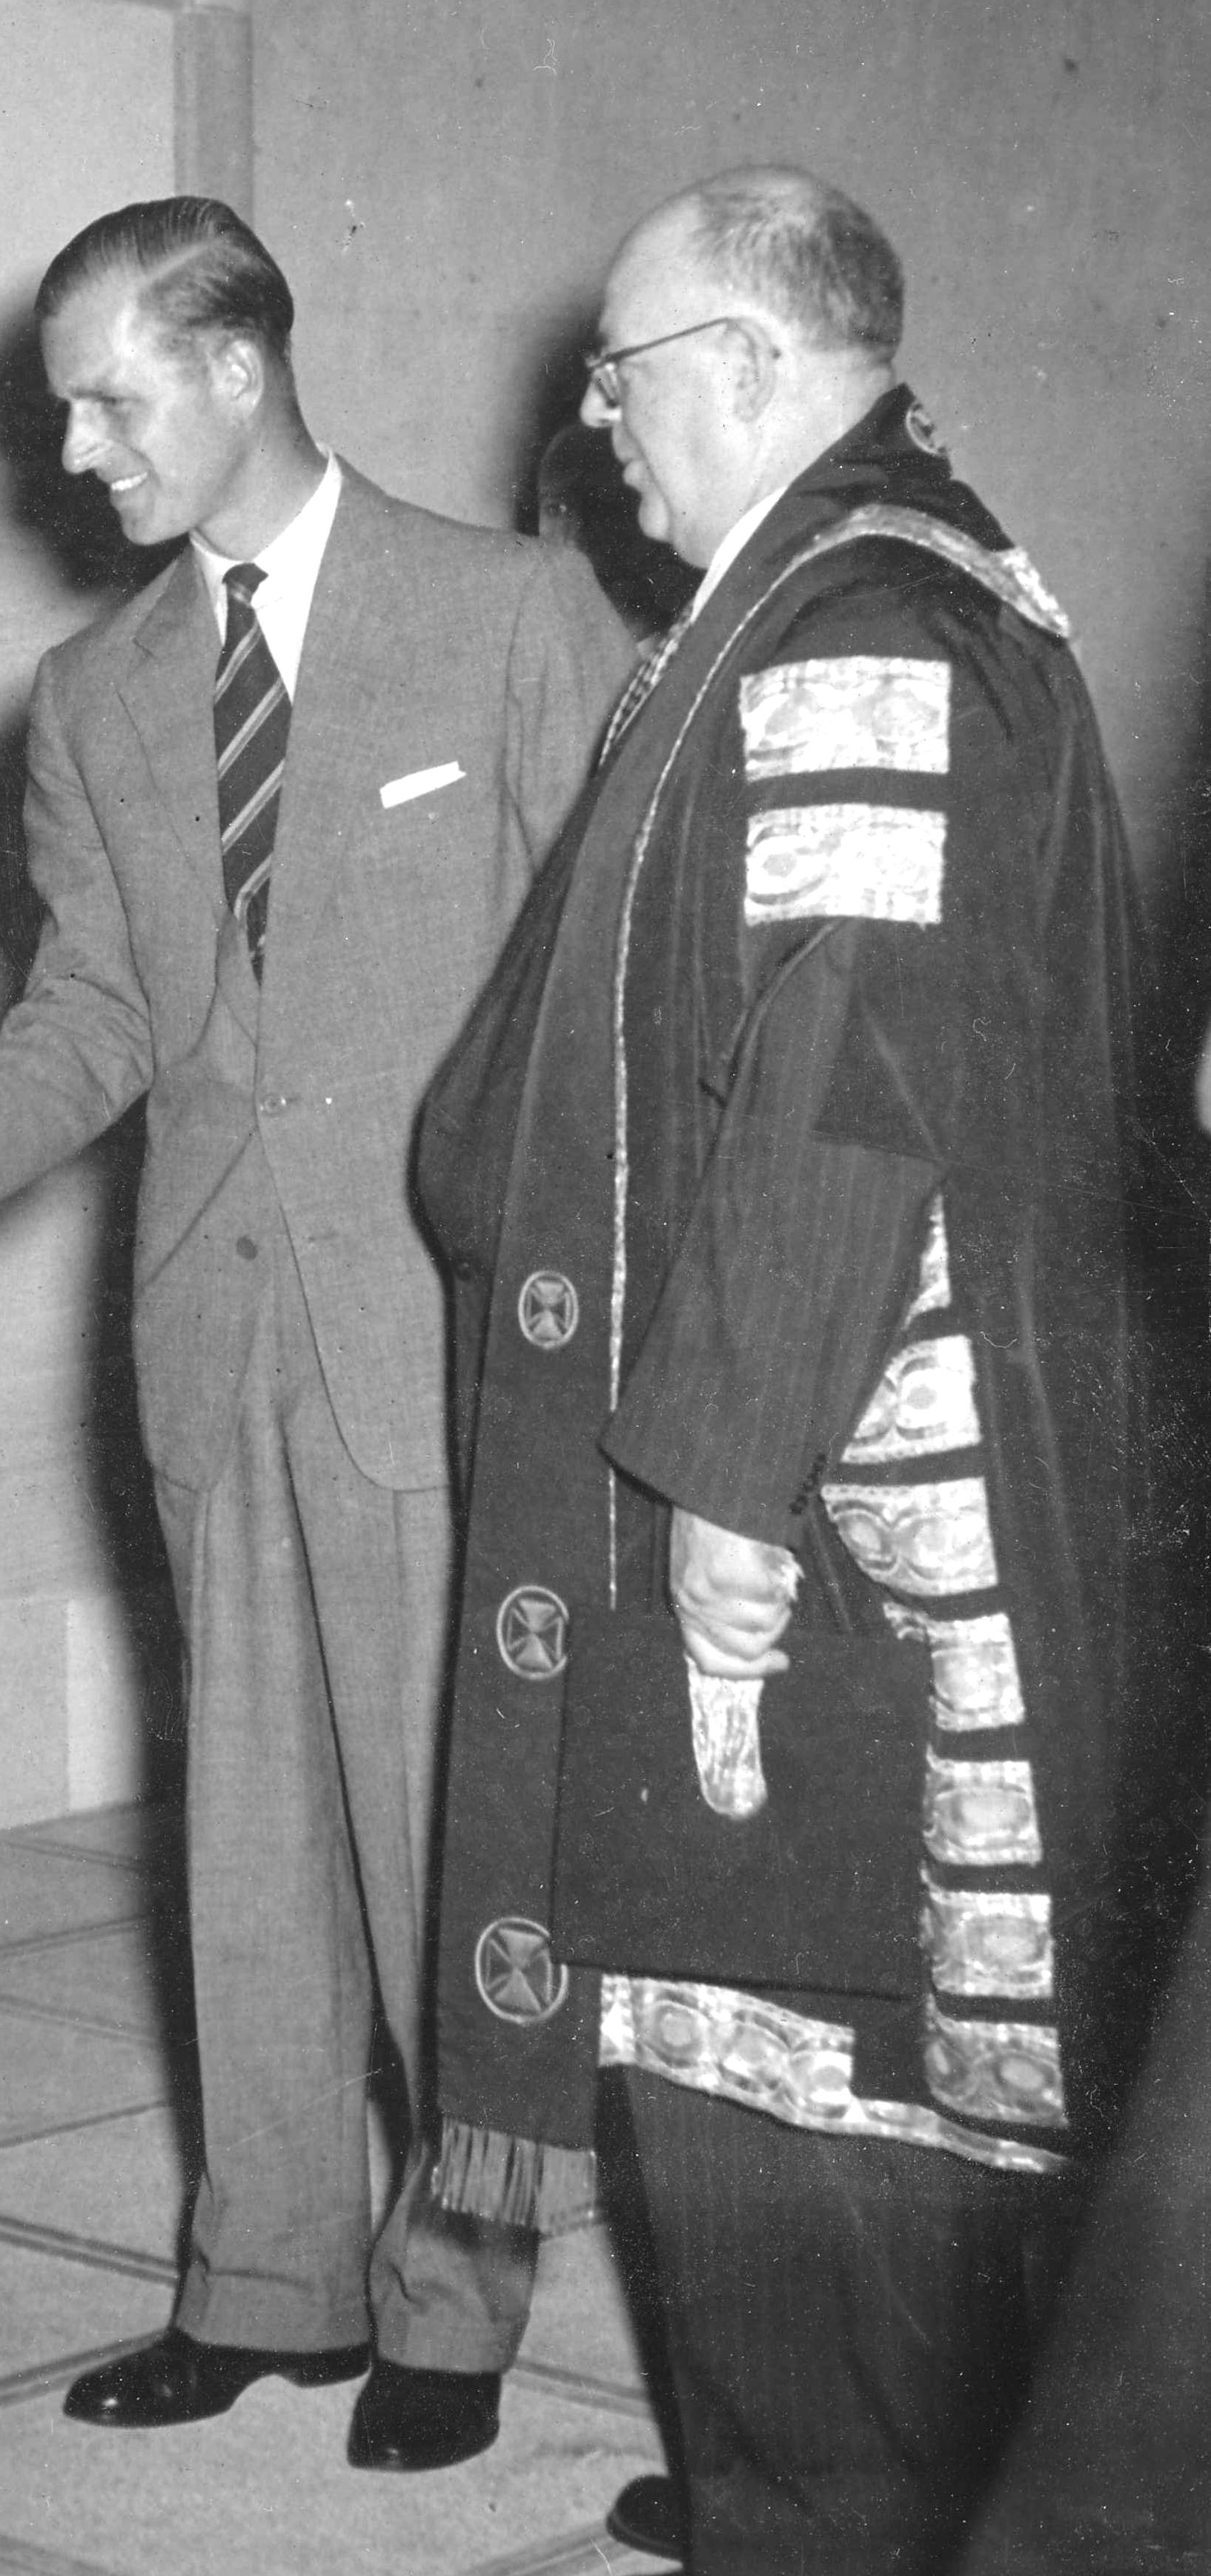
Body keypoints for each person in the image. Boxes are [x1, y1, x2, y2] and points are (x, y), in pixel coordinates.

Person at [0, 198, 632, 2472]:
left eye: (105, 395)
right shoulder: (84, 699)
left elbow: (611, 987)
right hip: (206, 1335)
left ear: (238, 364)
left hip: (448, 1335)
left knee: (440, 1832)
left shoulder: (506, 617)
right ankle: (264, 2275)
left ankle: (452, 2299)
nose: (71, 448)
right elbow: (90, 1014)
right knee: (250, 1828)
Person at [417, 169, 1155, 2573]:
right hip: (807, 1496)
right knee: (781, 2222)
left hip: (840, 1552)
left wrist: (725, 1505)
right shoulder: (842, 586)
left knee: (806, 2199)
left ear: (744, 357)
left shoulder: (866, 623)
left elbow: (843, 1080)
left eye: (618, 373)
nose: (594, 420)